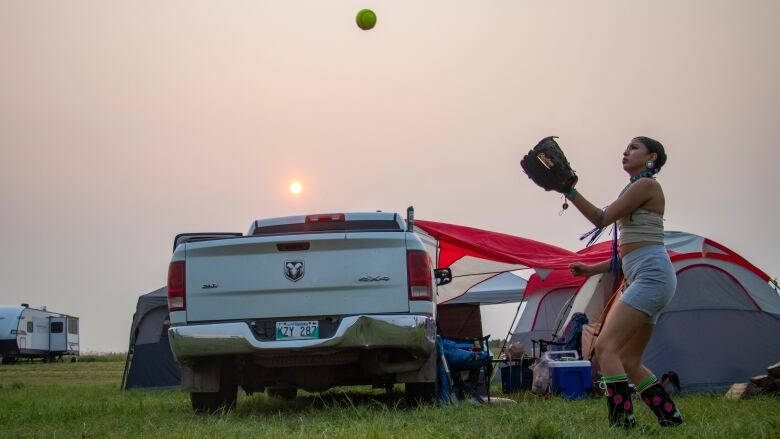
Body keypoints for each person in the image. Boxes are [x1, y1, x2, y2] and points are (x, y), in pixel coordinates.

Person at [565, 136, 683, 428]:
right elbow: (629, 254)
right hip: (648, 277)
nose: (626, 152)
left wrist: (568, 190)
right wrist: (593, 268)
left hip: (650, 278)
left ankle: (622, 423)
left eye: (634, 148)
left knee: (605, 348)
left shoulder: (647, 185)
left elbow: (601, 218)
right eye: (626, 147)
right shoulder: (635, 188)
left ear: (651, 157)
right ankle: (670, 419)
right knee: (629, 359)